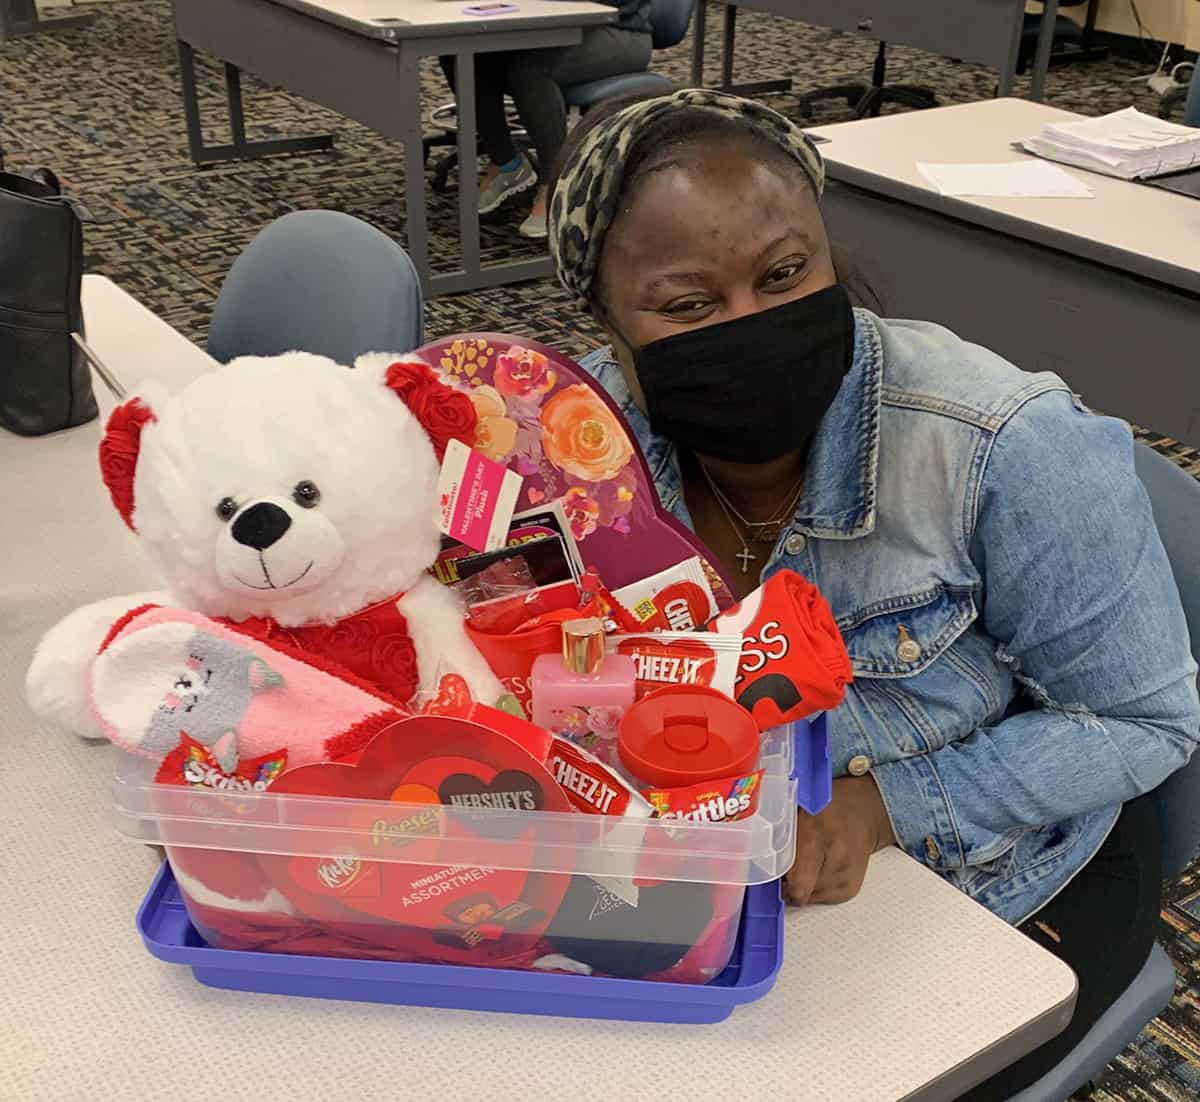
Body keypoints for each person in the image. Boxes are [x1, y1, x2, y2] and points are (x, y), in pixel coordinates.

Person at [545, 88, 1200, 1100]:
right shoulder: (583, 446)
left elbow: (1145, 719)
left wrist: (885, 808)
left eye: (785, 273)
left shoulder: (1002, 443)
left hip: (1010, 866)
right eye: (687, 305)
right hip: (733, 867)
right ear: (606, 321)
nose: (750, 324)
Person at [439, 0, 652, 240]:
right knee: (461, 56)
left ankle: (556, 184)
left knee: (529, 72)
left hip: (618, 31)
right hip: (550, 29)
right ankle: (507, 164)